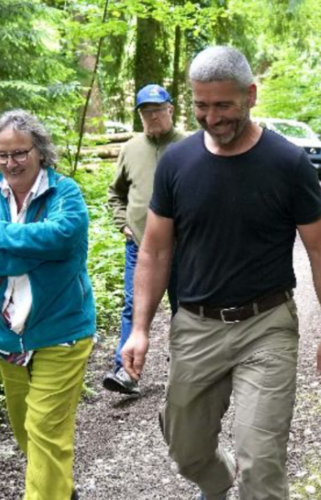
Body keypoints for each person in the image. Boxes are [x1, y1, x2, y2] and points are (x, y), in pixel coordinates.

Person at [118, 46, 321, 500]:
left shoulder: (288, 164)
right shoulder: (177, 163)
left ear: (251, 95)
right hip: (196, 326)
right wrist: (139, 329)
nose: (212, 117)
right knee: (186, 451)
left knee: (261, 460)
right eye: (201, 105)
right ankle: (218, 481)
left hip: (267, 326)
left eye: (223, 105)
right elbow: (155, 252)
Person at [0, 110, 95, 500]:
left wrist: (0, 233)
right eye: (2, 155)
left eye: (19, 153)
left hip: (61, 331)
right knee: (25, 431)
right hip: (7, 336)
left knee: (45, 430)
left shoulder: (64, 193)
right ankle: (60, 491)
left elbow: (64, 236)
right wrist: (34, 253)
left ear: (39, 151)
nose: (10, 163)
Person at [103, 84, 187, 395]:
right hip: (140, 245)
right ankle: (126, 371)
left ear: (171, 110)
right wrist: (122, 222)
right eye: (145, 112)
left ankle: (184, 370)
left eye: (157, 110)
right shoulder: (130, 148)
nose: (152, 116)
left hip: (184, 247)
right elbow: (116, 193)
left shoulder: (191, 146)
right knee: (133, 307)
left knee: (186, 307)